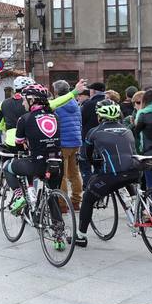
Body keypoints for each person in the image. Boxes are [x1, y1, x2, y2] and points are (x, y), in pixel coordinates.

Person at [76, 101, 143, 248]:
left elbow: (87, 156)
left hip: (111, 176)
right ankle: (137, 207)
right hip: (134, 171)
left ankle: (80, 237)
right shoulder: (127, 129)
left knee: (87, 199)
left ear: (99, 115)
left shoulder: (94, 132)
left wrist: (94, 163)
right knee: (126, 177)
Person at [4, 83, 62, 219]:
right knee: (53, 197)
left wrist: (25, 147)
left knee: (7, 167)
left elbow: (19, 144)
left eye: (24, 100)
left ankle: (19, 198)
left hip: (37, 164)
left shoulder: (25, 119)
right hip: (57, 164)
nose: (23, 103)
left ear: (32, 100)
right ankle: (59, 235)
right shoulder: (55, 117)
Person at [49, 79, 85, 209]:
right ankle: (76, 201)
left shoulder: (57, 105)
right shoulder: (75, 103)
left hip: (63, 143)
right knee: (75, 173)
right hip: (75, 142)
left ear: (57, 92)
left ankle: (62, 204)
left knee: (62, 175)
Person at [77, 82, 107, 181]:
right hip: (105, 138)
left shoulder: (88, 104)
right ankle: (99, 182)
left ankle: (88, 184)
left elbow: (81, 121)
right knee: (101, 162)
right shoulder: (109, 102)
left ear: (93, 91)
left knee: (85, 162)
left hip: (88, 138)